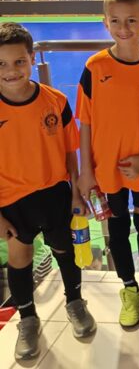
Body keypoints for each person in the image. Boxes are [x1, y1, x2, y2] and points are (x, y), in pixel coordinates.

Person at [0, 23, 96, 360]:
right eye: (2, 64)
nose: (11, 71)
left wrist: (76, 191)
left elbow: (70, 151)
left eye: (19, 61)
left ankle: (75, 302)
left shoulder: (55, 101)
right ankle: (27, 320)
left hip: (55, 193)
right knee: (20, 258)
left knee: (65, 251)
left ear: (31, 58)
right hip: (12, 201)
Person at [77, 0, 139, 328]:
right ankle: (128, 288)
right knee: (117, 227)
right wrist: (86, 170)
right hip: (107, 167)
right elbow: (85, 121)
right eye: (115, 21)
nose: (124, 28)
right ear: (106, 23)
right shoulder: (95, 66)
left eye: (132, 20)